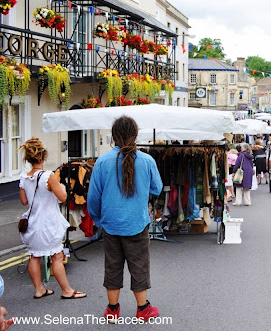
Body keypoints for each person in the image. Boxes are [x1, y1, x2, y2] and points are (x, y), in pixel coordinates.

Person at [88, 116, 162, 323]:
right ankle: (143, 309)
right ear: (135, 135)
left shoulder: (102, 161)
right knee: (139, 266)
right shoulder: (147, 160)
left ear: (114, 136)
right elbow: (156, 187)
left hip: (110, 224)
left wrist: (98, 219)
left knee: (112, 266)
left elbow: (93, 197)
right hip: (137, 223)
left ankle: (112, 310)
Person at [17, 137, 86, 301]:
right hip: (48, 224)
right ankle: (67, 290)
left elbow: (24, 201)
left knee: (34, 256)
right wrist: (62, 187)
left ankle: (39, 289)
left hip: (32, 223)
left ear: (28, 158)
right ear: (43, 157)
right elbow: (62, 197)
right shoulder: (48, 176)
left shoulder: (24, 178)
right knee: (57, 256)